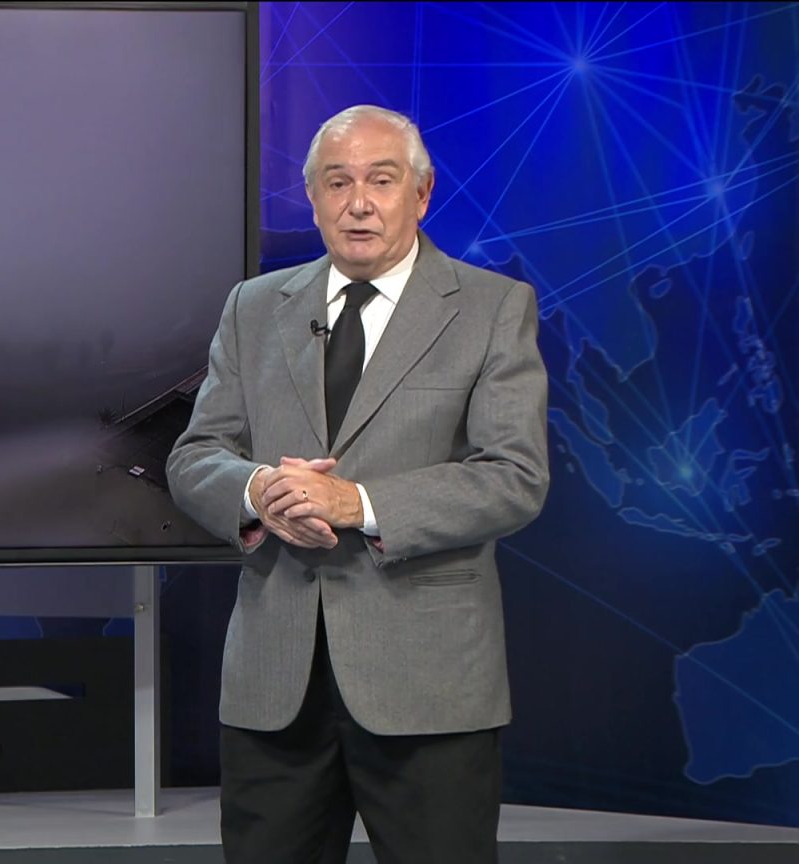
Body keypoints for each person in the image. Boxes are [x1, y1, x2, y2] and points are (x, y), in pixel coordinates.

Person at [166, 104, 549, 864]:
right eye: (337, 183)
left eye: (382, 180)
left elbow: (514, 476)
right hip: (275, 687)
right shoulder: (253, 308)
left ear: (422, 194)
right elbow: (196, 454)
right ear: (313, 199)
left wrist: (359, 503)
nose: (359, 203)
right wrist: (257, 492)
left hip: (427, 688)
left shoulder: (491, 309)